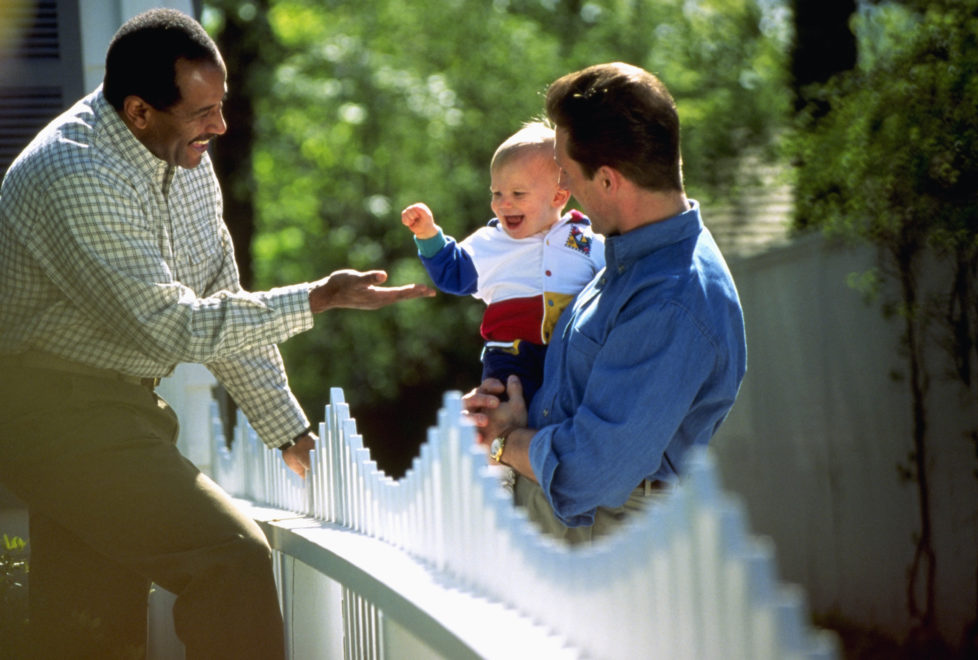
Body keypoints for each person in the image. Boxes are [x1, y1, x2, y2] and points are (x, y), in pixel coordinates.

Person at [0, 8, 431, 659]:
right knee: (229, 559)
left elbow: (219, 298)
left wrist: (290, 432)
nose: (220, 125)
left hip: (115, 404)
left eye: (221, 103)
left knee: (87, 632)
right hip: (52, 408)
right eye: (202, 111)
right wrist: (317, 297)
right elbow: (168, 324)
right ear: (140, 111)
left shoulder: (183, 156)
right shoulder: (76, 174)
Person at [463, 62, 747, 545]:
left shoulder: (671, 298)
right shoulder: (622, 262)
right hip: (573, 549)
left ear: (610, 181)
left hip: (606, 563)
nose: (565, 194)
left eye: (569, 176)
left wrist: (506, 442)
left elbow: (589, 472)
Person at [401, 121, 604, 405]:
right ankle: (503, 442)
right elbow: (453, 274)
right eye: (497, 193)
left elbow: (615, 274)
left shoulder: (580, 236)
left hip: (571, 353)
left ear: (558, 196)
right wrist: (428, 235)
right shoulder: (491, 241)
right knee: (505, 409)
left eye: (518, 194)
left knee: (575, 411)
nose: (503, 203)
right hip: (511, 357)